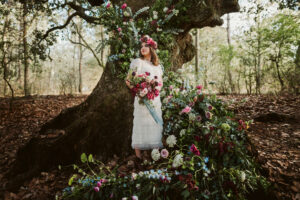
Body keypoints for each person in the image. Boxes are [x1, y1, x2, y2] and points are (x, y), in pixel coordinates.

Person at [125, 35, 164, 163]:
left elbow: (160, 82)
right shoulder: (137, 62)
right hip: (142, 99)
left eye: (146, 46)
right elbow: (128, 80)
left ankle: (155, 157)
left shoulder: (157, 66)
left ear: (152, 48)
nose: (143, 48)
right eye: (141, 46)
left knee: (154, 124)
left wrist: (156, 88)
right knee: (140, 125)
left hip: (155, 99)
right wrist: (139, 91)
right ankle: (138, 159)